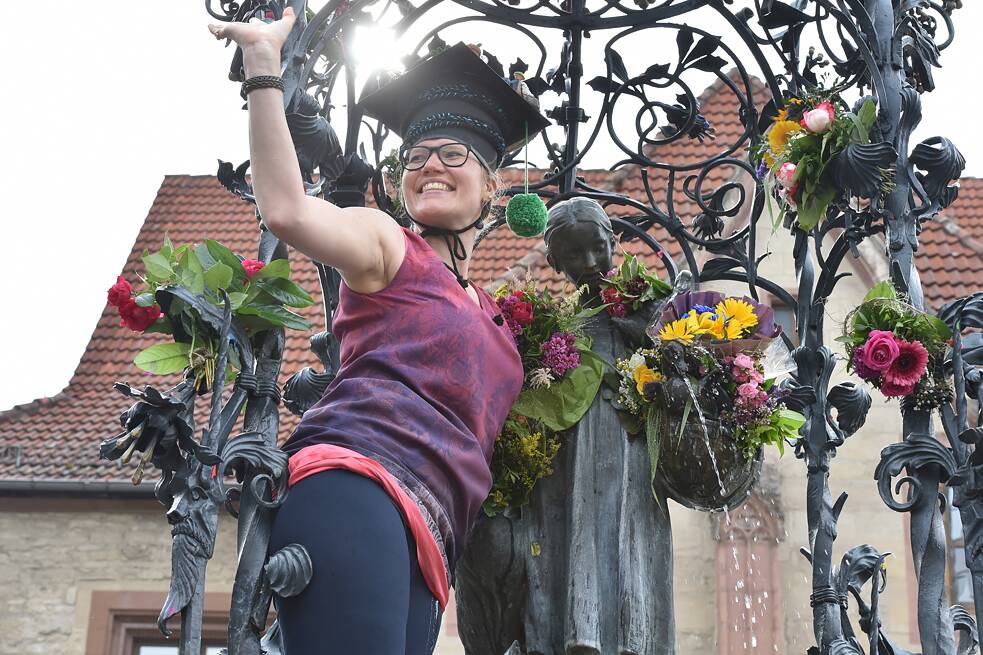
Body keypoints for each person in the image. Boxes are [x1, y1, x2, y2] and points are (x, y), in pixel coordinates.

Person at [208, 9, 549, 655]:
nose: (430, 167)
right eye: (415, 157)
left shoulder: (499, 318)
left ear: (493, 184)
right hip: (356, 481)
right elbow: (285, 210)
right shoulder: (387, 242)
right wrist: (262, 65)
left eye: (454, 154)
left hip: (434, 534)